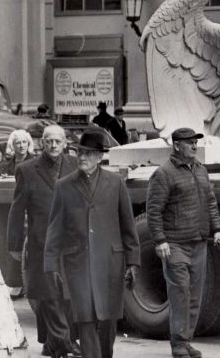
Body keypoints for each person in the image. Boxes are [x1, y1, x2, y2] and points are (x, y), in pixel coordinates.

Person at [44, 128, 140, 358]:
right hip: (78, 265)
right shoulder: (64, 186)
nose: (82, 158)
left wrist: (133, 261)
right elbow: (54, 229)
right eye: (80, 153)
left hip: (110, 265)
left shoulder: (116, 183)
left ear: (99, 156)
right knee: (85, 320)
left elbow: (128, 226)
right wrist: (51, 265)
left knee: (107, 324)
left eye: (88, 154)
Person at [146, 128, 220, 358]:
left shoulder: (201, 170)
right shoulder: (164, 174)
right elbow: (154, 211)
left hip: (199, 243)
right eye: (189, 142)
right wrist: (160, 240)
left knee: (194, 295)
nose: (194, 146)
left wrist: (218, 229)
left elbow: (211, 203)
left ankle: (186, 339)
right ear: (177, 146)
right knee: (180, 294)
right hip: (175, 245)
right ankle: (178, 345)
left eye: (195, 142)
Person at [7, 125, 79, 358]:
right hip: (42, 241)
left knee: (68, 294)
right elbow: (17, 209)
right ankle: (65, 342)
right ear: (41, 143)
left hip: (70, 241)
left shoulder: (74, 166)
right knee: (49, 294)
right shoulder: (27, 170)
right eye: (49, 141)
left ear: (65, 143)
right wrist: (15, 244)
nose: (53, 145)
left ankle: (52, 343)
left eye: (58, 141)